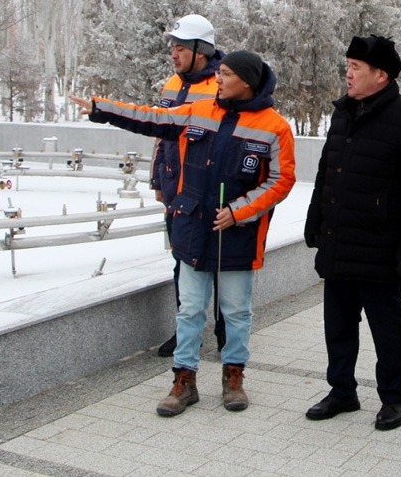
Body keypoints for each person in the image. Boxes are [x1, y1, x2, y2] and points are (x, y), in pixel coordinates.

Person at [70, 49, 296, 416]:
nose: (218, 79)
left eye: (225, 74)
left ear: (247, 82)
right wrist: (101, 109)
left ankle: (233, 377)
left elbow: (281, 180)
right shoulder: (198, 111)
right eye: (219, 72)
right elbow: (151, 118)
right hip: (193, 228)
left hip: (237, 235)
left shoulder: (275, 127)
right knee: (189, 309)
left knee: (236, 311)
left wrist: (238, 212)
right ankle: (184, 381)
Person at [303, 35, 401, 432]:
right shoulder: (343, 114)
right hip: (338, 241)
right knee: (338, 325)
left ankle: (393, 398)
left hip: (381, 251)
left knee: (387, 329)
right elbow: (327, 173)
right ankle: (342, 391)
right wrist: (315, 221)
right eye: (348, 65)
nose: (348, 73)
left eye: (355, 67)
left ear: (381, 76)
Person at [154, 14, 224, 357]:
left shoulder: (222, 85)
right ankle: (186, 333)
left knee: (221, 265)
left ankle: (226, 334)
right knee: (181, 261)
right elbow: (161, 134)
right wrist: (158, 179)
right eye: (173, 47)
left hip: (209, 195)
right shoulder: (171, 84)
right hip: (176, 193)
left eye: (180, 47)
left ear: (201, 49)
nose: (174, 53)